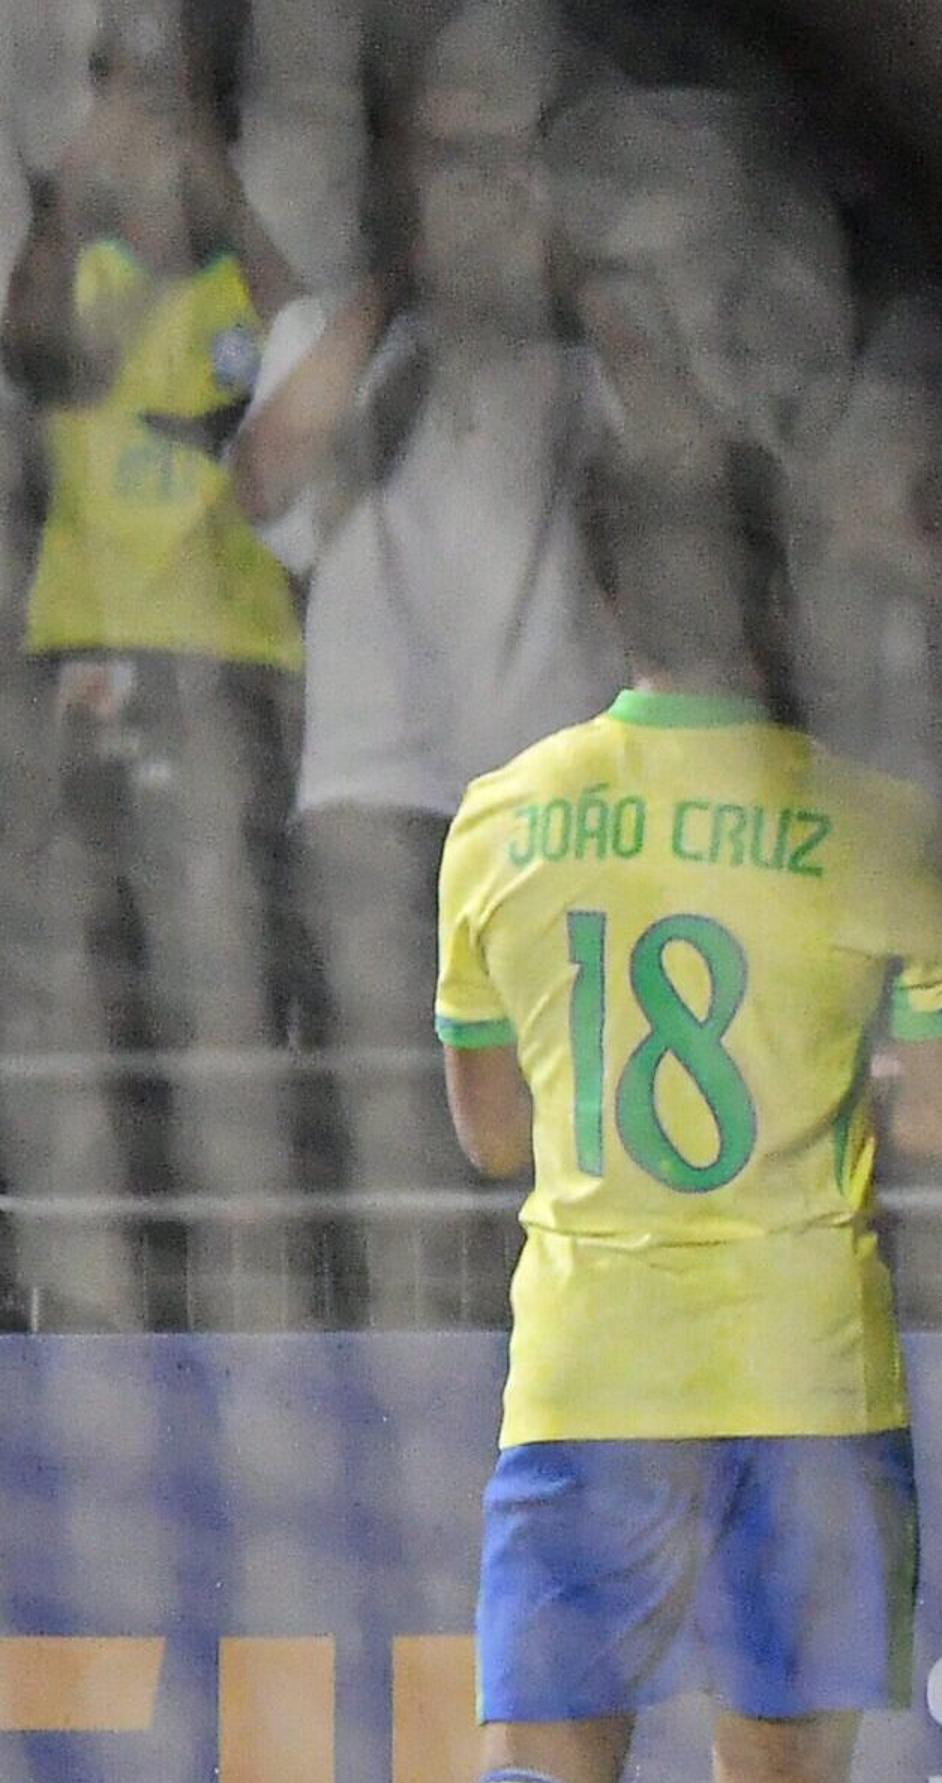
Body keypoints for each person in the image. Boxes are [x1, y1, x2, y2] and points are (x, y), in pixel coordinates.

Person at [412, 451, 942, 1783]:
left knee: (537, 1760)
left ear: (605, 604)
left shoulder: (505, 815)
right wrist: (883, 1079)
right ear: (781, 599)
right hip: (802, 1367)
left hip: (590, 1361)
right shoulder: (869, 823)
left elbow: (489, 1132)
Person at [230, 2, 626, 1317]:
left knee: (542, 1158)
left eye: (507, 160)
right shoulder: (334, 340)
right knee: (372, 1144)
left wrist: (566, 274)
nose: (482, 190)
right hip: (372, 821)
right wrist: (404, 279)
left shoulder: (575, 367)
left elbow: (695, 467)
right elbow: (266, 477)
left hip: (551, 815)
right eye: (454, 161)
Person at [1, 0, 307, 1306]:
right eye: (119, 91)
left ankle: (230, 1263)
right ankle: (92, 1257)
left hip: (239, 668)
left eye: (163, 96)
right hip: (94, 652)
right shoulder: (88, 270)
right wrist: (71, 193)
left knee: (242, 974)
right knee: (99, 962)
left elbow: (306, 349)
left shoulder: (245, 273)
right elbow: (29, 349)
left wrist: (221, 191)